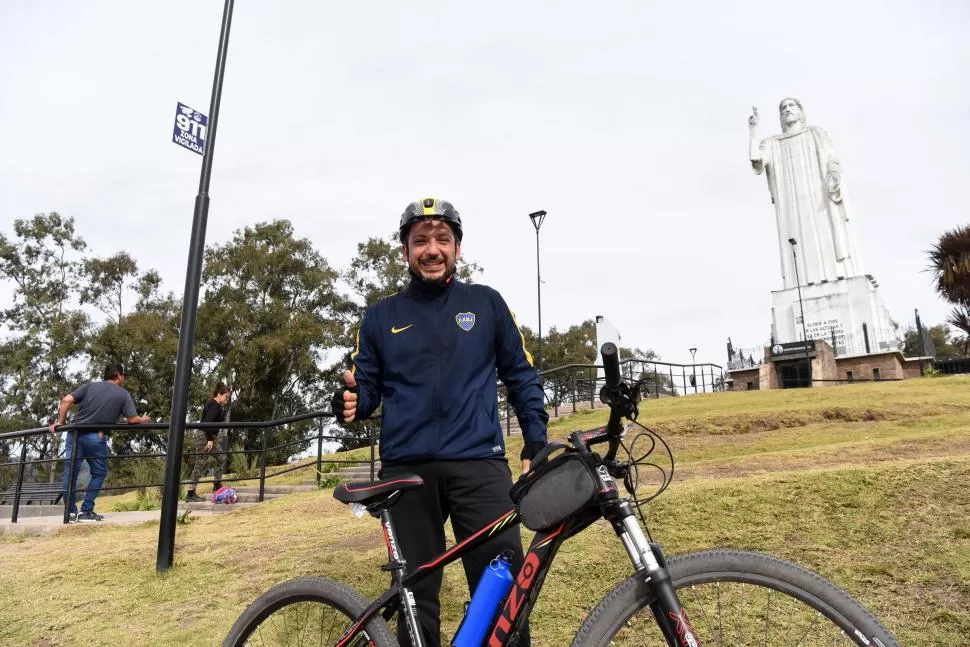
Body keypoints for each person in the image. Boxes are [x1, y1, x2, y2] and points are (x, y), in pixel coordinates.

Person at [331, 197, 548, 647]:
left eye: (442, 240)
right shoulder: (380, 317)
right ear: (405, 251)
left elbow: (521, 375)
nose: (432, 249)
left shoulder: (486, 303)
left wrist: (536, 440)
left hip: (480, 464)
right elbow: (366, 388)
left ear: (458, 248)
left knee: (502, 593)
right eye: (421, 241)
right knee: (416, 602)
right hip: (406, 474)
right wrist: (351, 401)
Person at [50, 363, 151, 522]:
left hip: (74, 433)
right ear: (119, 375)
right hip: (95, 437)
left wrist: (60, 422)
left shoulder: (90, 386)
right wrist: (142, 419)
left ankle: (70, 513)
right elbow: (132, 419)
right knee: (99, 473)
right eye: (123, 375)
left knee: (71, 473)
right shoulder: (123, 394)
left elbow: (66, 400)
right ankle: (86, 511)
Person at [185, 382, 231, 503]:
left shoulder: (217, 405)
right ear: (219, 394)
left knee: (221, 458)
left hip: (209, 436)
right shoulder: (214, 405)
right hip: (204, 437)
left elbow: (217, 420)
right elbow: (208, 423)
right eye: (226, 397)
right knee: (200, 463)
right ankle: (190, 493)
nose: (227, 399)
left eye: (228, 398)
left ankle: (217, 484)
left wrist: (223, 407)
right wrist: (209, 440)